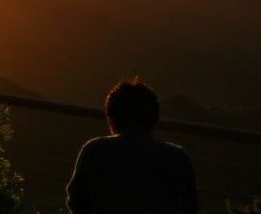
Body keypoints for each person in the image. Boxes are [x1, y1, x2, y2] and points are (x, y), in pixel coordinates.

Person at [65, 78, 197, 214]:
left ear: (111, 118)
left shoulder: (94, 150)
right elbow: (191, 206)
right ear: (154, 119)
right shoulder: (177, 157)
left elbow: (75, 201)